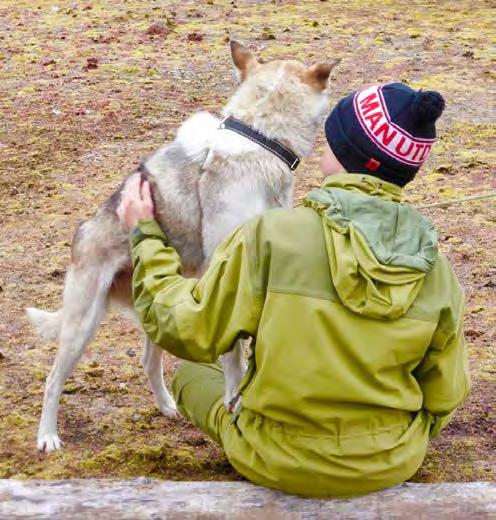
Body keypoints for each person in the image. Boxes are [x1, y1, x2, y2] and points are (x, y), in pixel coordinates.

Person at [117, 82, 470, 498]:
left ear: (343, 151)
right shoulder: (438, 270)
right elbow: (446, 392)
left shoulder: (271, 237)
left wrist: (145, 235)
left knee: (194, 371)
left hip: (273, 457)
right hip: (392, 460)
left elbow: (183, 328)